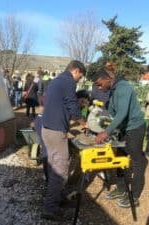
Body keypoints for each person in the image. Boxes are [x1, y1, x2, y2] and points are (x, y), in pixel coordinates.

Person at [92, 62, 147, 208]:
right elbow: (111, 113)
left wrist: (106, 132)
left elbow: (122, 113)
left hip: (135, 128)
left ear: (108, 79)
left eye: (99, 84)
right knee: (120, 158)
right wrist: (99, 119)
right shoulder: (113, 90)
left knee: (137, 162)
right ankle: (122, 189)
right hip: (123, 129)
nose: (99, 87)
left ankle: (134, 196)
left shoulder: (124, 87)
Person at [41, 60, 86, 221]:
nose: (79, 79)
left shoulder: (57, 80)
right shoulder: (68, 82)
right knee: (60, 170)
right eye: (81, 76)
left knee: (55, 165)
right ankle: (50, 208)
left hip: (47, 129)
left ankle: (55, 198)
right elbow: (72, 106)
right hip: (55, 131)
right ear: (76, 71)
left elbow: (60, 105)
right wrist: (84, 122)